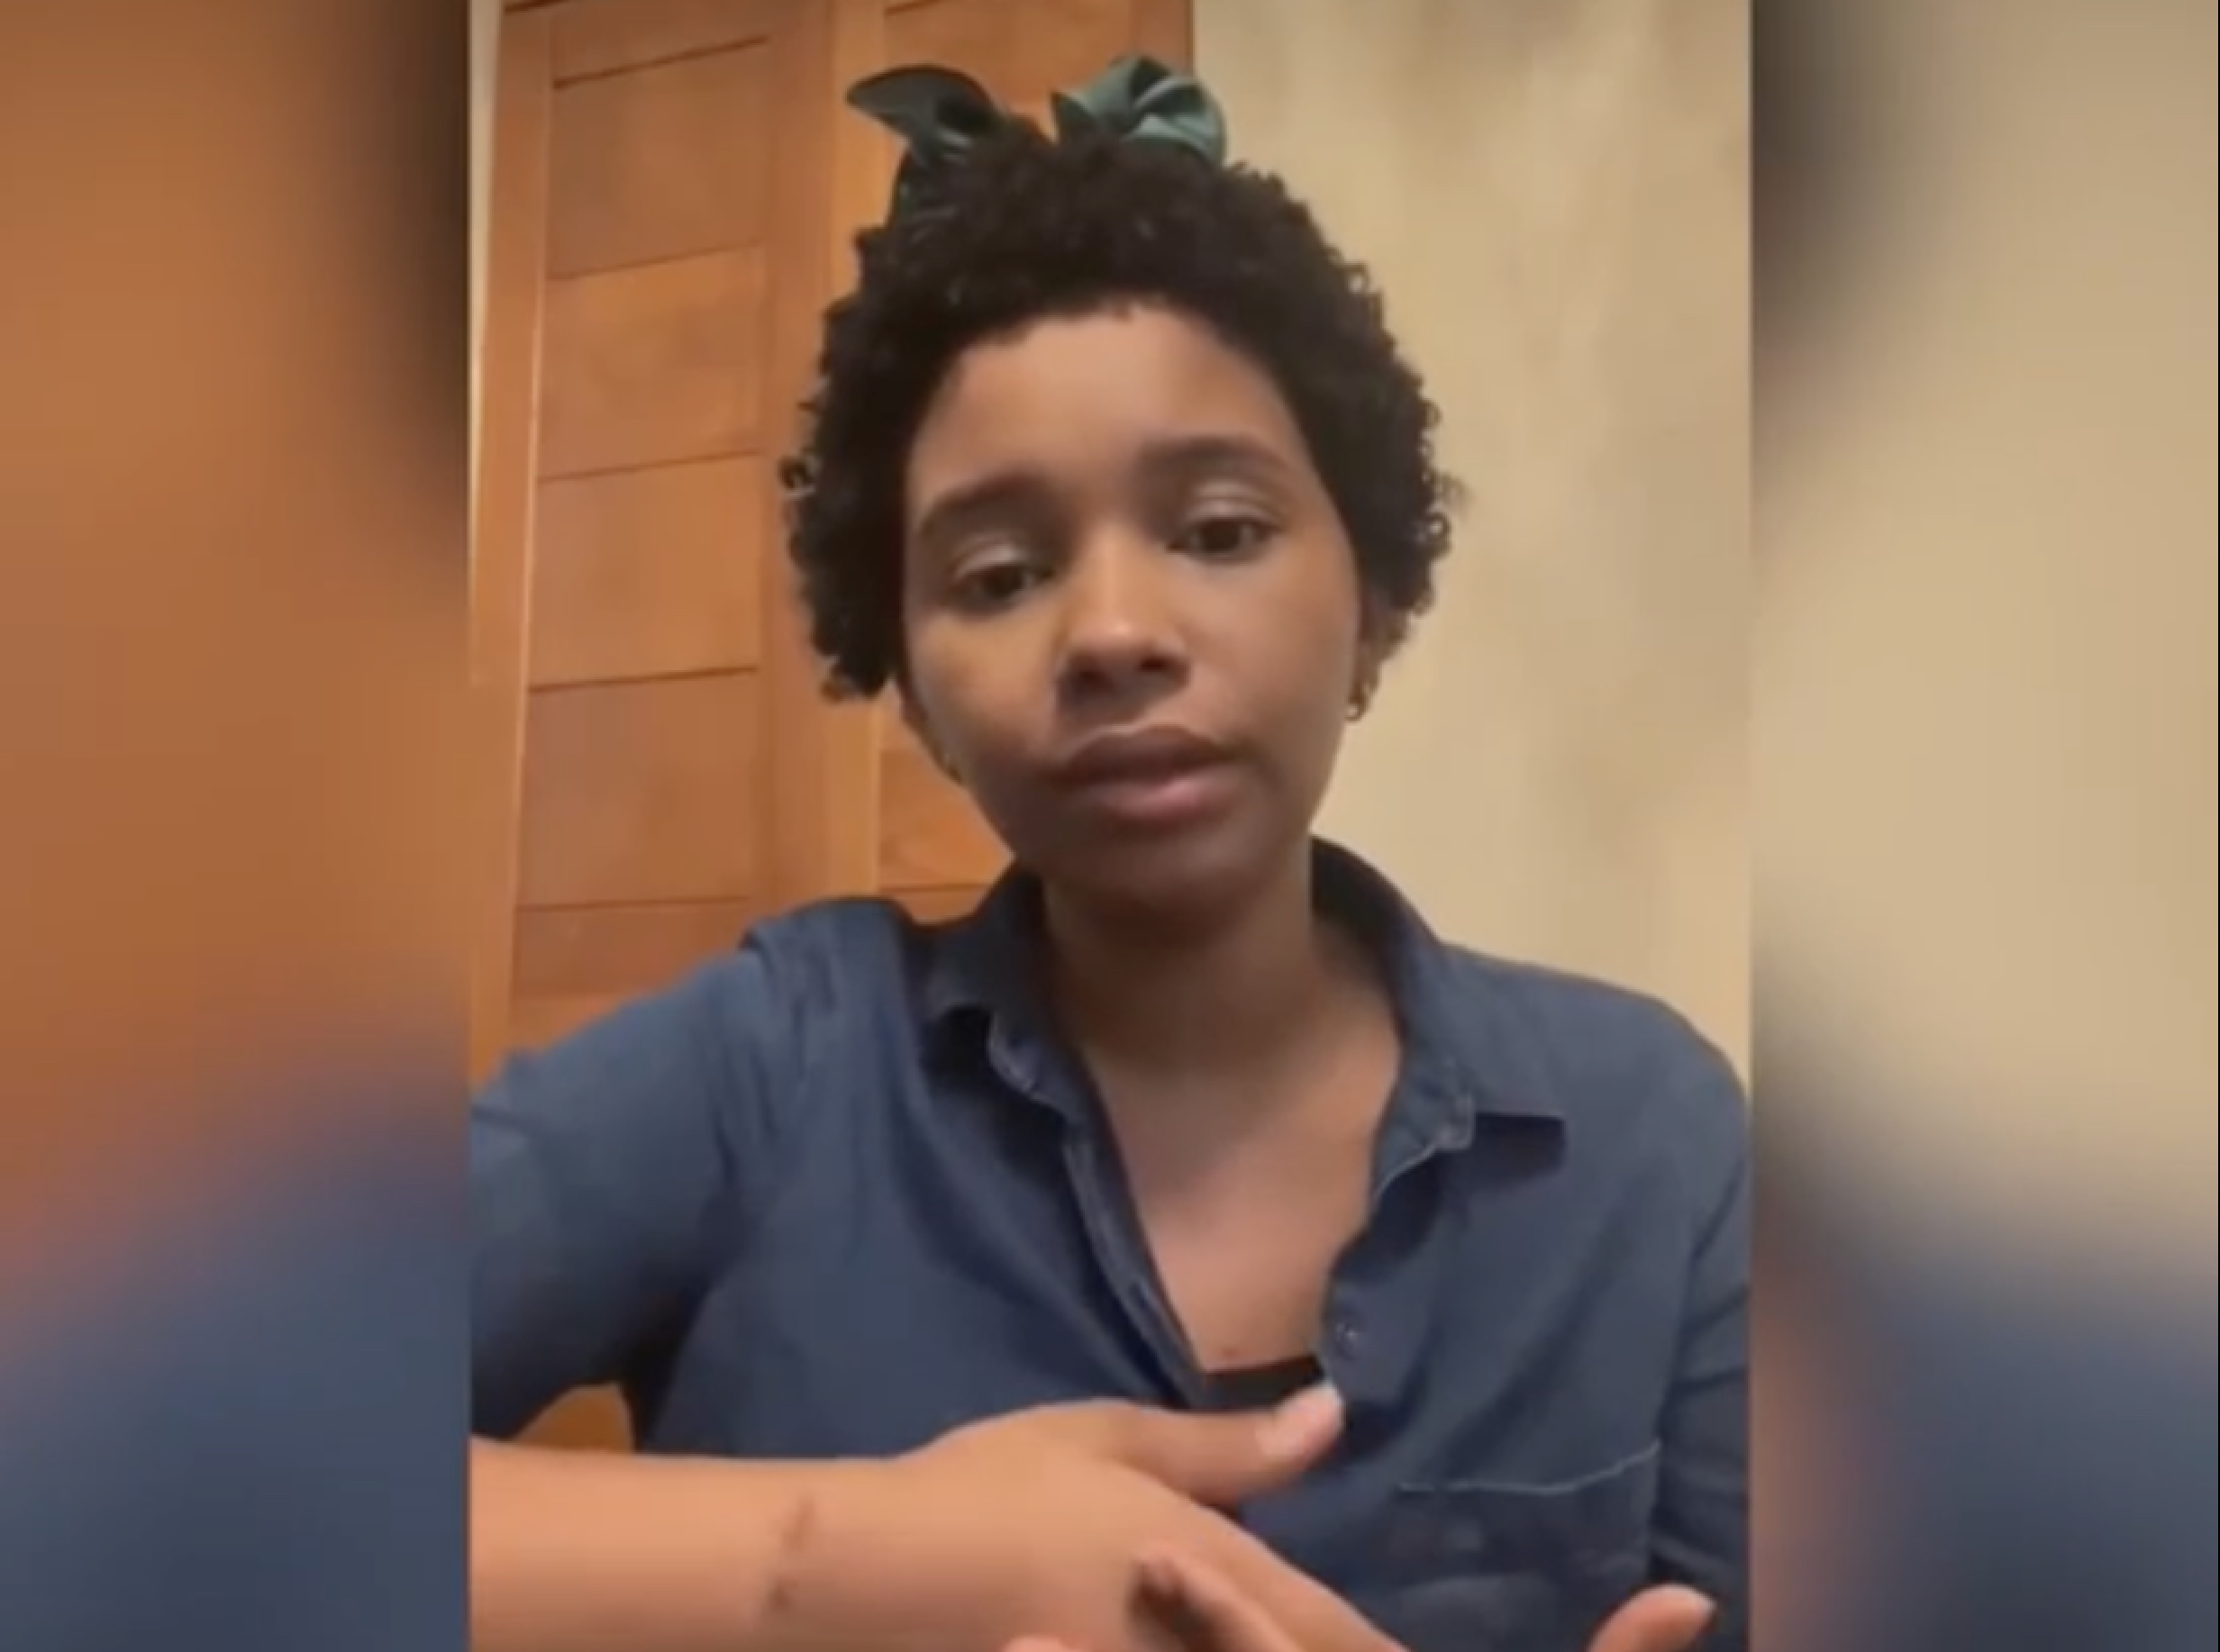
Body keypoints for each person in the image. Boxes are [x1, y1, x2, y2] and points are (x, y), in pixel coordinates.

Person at [469, 55, 1748, 1652]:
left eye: (1218, 531)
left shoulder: (1647, 1139)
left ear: (1373, 606)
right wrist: (852, 1562)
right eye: (1001, 574)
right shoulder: (765, 1064)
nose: (1115, 631)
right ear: (914, 693)